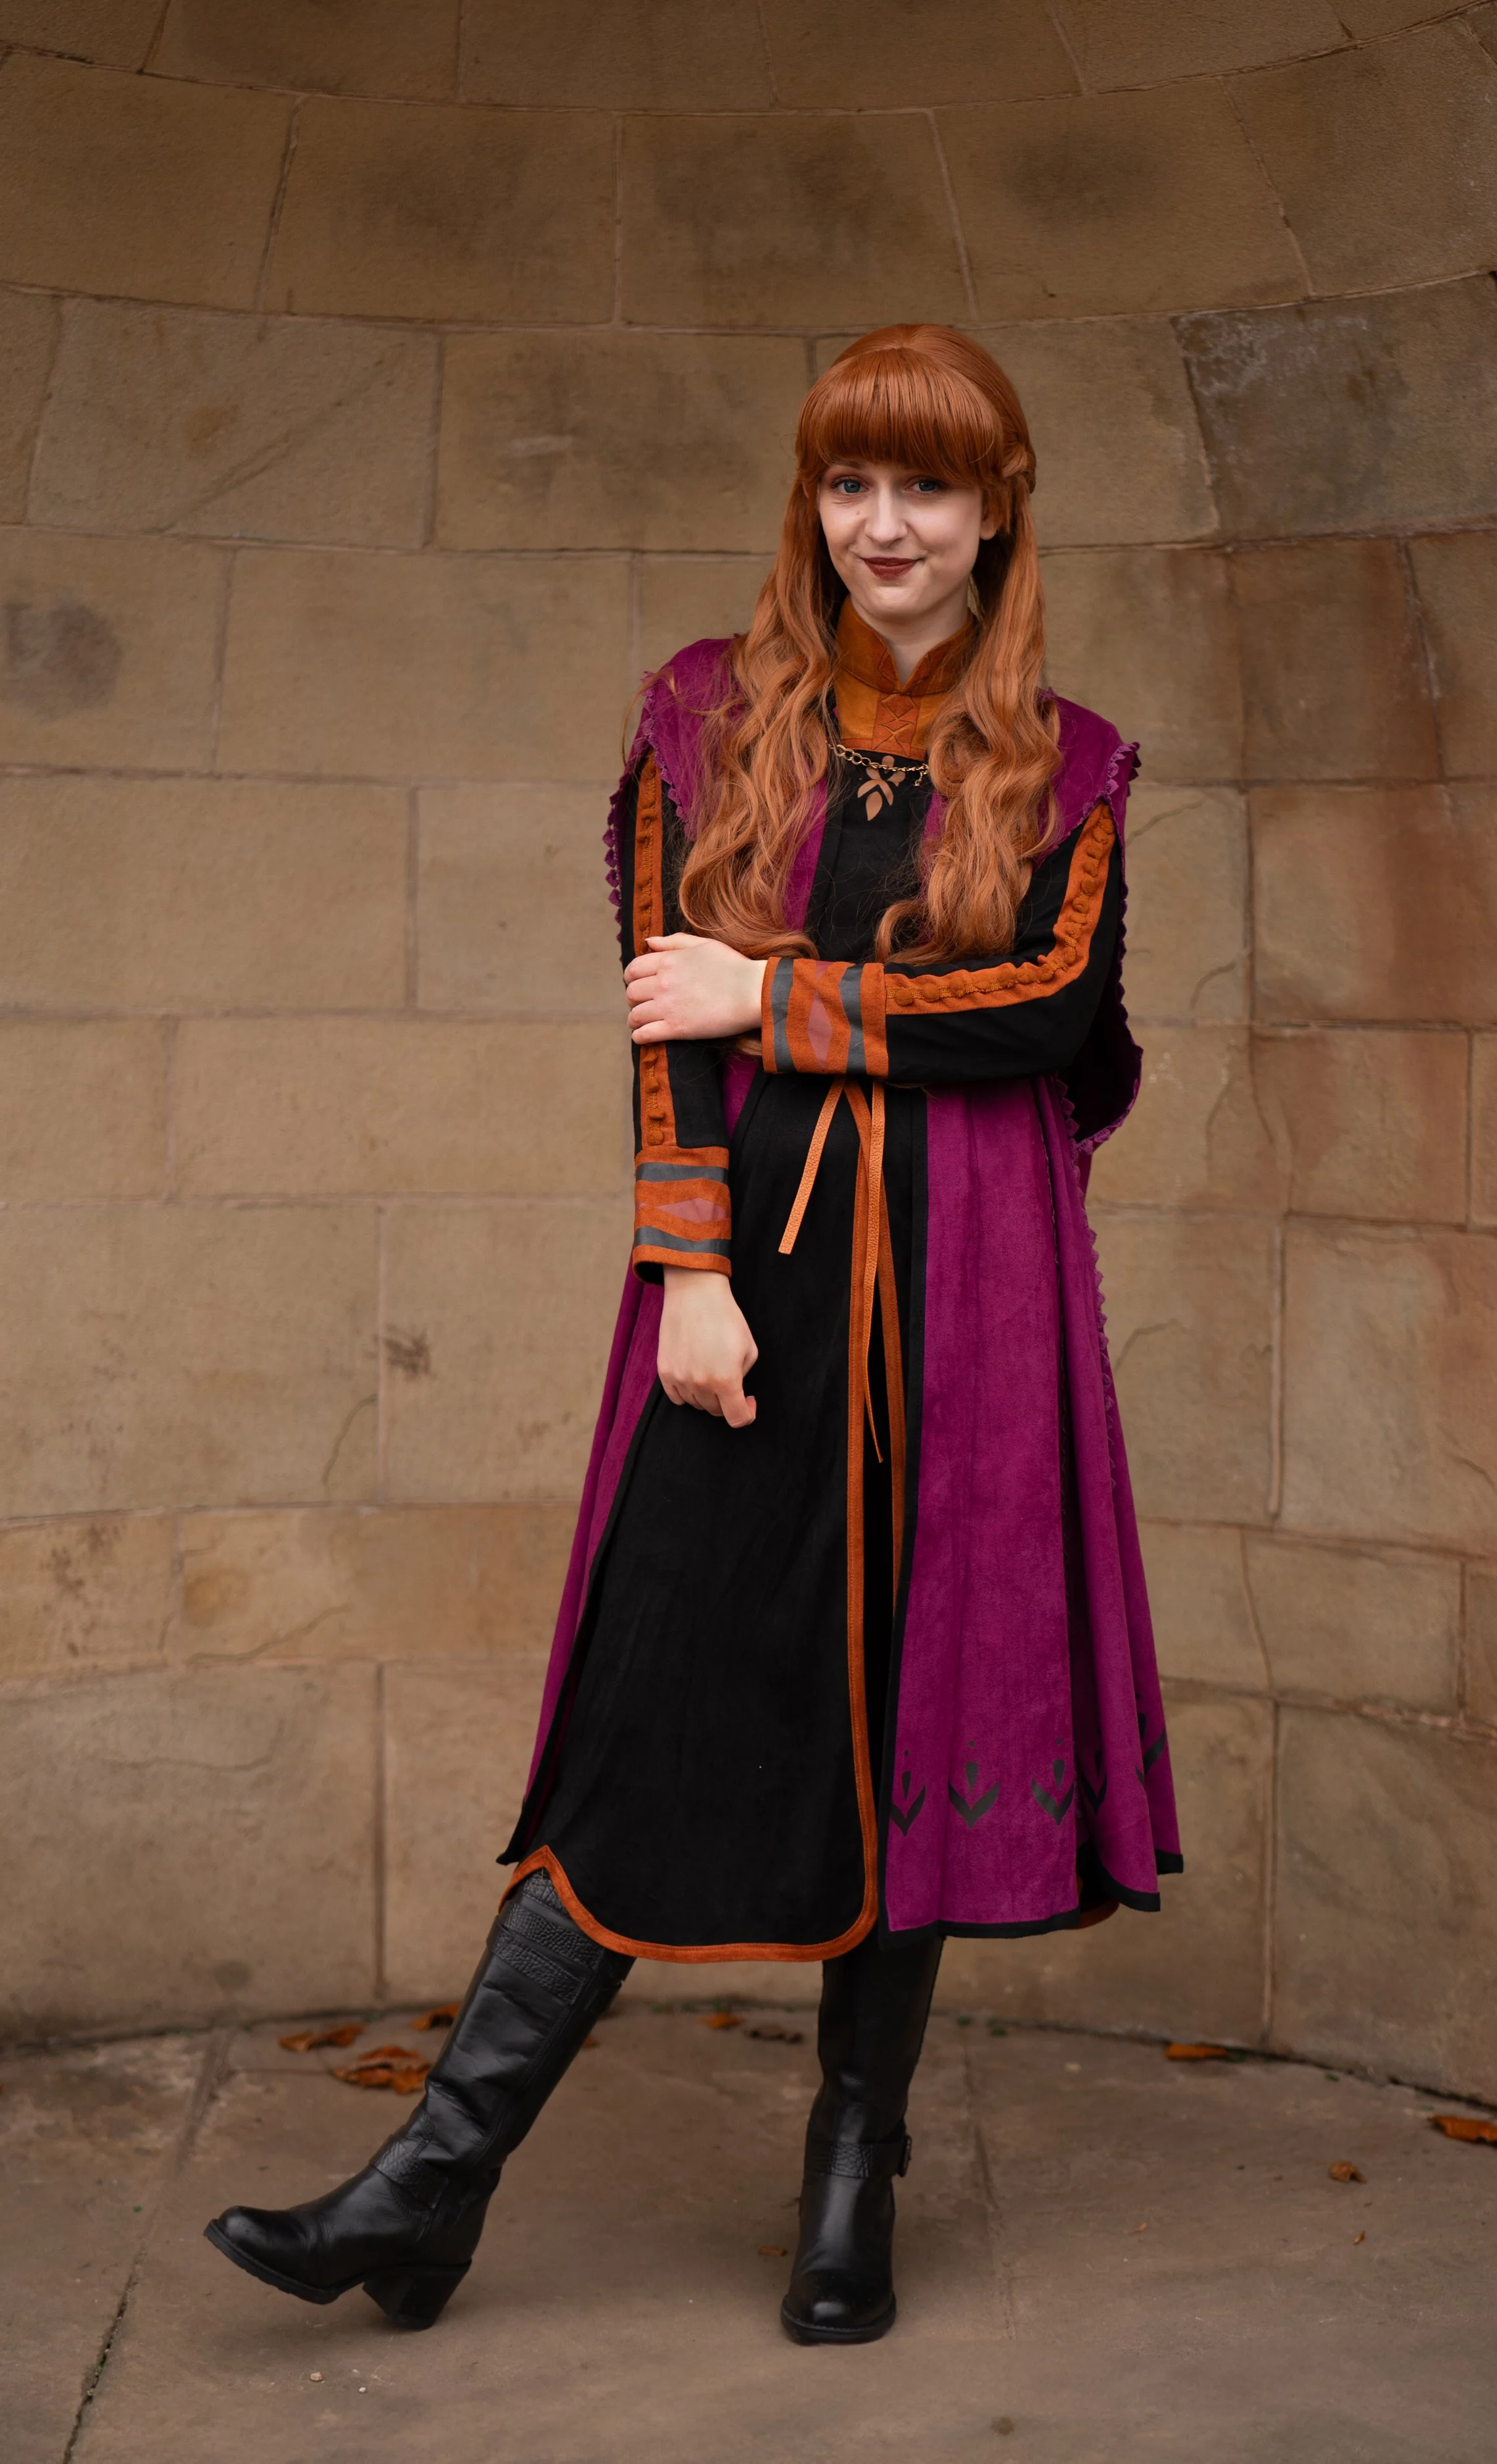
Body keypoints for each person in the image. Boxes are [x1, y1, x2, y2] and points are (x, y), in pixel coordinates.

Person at [206, 325, 1180, 2346]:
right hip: (754, 1279)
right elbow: (659, 1026)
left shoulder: (1067, 760)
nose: (883, 524)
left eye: (925, 485)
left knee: (909, 1706)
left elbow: (1052, 1009)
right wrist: (690, 1269)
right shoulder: (701, 718)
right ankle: (436, 2177)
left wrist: (782, 998)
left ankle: (851, 2171)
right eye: (848, 482)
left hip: (975, 1293)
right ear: (809, 503)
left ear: (997, 510)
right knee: (647, 1696)